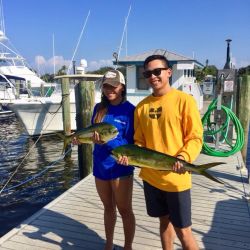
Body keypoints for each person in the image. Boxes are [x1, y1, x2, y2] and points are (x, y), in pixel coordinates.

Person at [119, 55, 203, 250]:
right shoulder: (141, 107)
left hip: (176, 178)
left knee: (183, 231)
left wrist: (183, 157)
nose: (153, 76)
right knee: (163, 223)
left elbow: (195, 137)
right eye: (148, 73)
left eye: (157, 71)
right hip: (151, 178)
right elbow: (139, 142)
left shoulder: (184, 101)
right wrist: (130, 156)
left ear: (168, 72)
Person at [74, 69, 135, 250]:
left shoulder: (131, 110)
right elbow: (91, 135)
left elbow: (131, 142)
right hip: (100, 165)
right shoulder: (98, 108)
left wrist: (109, 141)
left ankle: (128, 246)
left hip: (120, 167)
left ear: (122, 87)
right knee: (108, 208)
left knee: (124, 210)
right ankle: (108, 245)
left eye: (113, 86)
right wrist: (80, 139)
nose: (109, 90)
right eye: (106, 86)